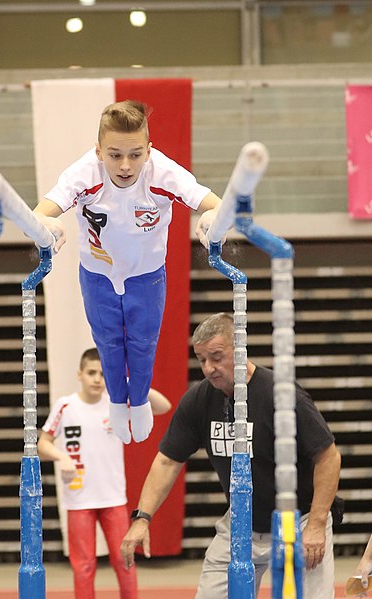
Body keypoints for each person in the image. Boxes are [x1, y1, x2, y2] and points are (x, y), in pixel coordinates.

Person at [33, 100, 222, 444]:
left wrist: (213, 218)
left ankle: (138, 402)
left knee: (142, 342)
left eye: (135, 154)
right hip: (98, 272)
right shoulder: (83, 173)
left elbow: (215, 204)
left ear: (149, 151)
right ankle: (119, 403)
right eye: (114, 154)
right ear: (98, 151)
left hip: (146, 273)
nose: (124, 165)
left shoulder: (163, 172)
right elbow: (41, 211)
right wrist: (46, 224)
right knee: (108, 342)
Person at [120, 312, 341, 599]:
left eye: (217, 356)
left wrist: (316, 524)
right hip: (240, 525)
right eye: (201, 360)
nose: (209, 368)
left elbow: (328, 457)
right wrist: (142, 518)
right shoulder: (198, 400)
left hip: (297, 522)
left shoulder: (282, 394)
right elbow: (167, 460)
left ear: (239, 350)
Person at [37, 347, 171, 599]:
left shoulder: (117, 402)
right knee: (84, 565)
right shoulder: (65, 406)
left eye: (102, 373)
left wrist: (133, 384)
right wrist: (62, 456)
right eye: (91, 373)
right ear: (80, 374)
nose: (97, 379)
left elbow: (163, 406)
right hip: (79, 500)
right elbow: (42, 444)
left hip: (113, 499)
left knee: (125, 560)